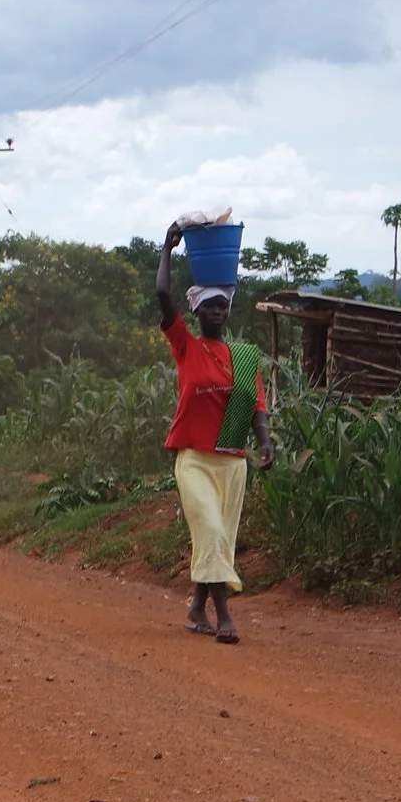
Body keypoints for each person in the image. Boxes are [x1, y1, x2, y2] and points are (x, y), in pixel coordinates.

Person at [156, 221, 273, 642]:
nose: (218, 311)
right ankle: (224, 616)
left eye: (223, 305)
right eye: (210, 306)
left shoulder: (242, 356)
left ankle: (195, 606)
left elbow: (257, 405)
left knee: (220, 539)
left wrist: (265, 443)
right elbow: (162, 296)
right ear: (197, 311)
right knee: (211, 530)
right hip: (195, 460)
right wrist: (167, 248)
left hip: (232, 462)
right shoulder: (185, 345)